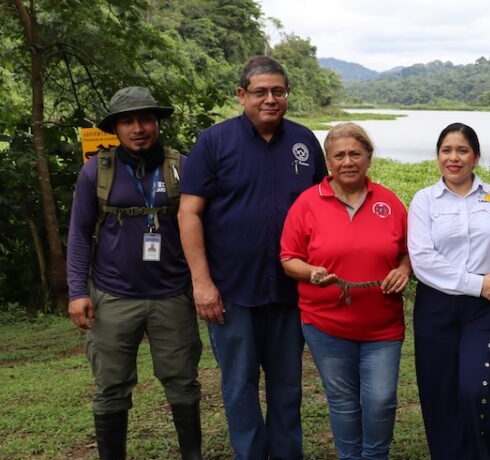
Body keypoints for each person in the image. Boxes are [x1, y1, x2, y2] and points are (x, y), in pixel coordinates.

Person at [179, 56, 326, 460]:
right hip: (232, 289)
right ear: (241, 95)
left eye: (278, 91)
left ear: (288, 94)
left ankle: (286, 454)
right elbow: (189, 213)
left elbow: (323, 207)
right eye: (260, 92)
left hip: (290, 289)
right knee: (239, 384)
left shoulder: (303, 141)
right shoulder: (214, 142)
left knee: (288, 385)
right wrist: (201, 283)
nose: (270, 99)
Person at [66, 87, 202, 460]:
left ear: (157, 122)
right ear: (115, 128)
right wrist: (77, 292)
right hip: (112, 297)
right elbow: (79, 234)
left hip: (172, 294)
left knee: (183, 382)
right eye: (127, 121)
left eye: (145, 119)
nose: (138, 128)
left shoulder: (183, 167)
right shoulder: (96, 171)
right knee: (111, 387)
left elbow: (207, 228)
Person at [279, 123, 411, 460]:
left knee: (381, 399)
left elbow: (408, 251)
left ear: (369, 157)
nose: (348, 161)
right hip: (326, 324)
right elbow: (289, 259)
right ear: (328, 161)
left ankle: (375, 456)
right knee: (343, 400)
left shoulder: (389, 202)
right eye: (339, 155)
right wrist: (311, 272)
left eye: (355, 153)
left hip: (382, 325)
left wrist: (403, 270)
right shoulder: (307, 203)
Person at [408, 123, 490, 460]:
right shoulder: (424, 200)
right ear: (438, 156)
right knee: (438, 390)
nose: (454, 158)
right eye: (446, 150)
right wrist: (475, 284)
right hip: (436, 306)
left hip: (487, 305)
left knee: (473, 388)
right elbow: (422, 259)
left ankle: (486, 453)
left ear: (476, 157)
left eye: (462, 150)